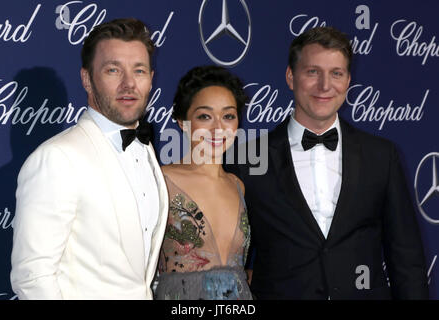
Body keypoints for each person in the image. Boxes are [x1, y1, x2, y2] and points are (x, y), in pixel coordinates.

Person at [227, 26, 429, 299]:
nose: (325, 86)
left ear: (347, 80)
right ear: (290, 77)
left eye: (336, 73)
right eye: (312, 72)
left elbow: (406, 258)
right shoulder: (246, 159)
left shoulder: (382, 156)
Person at [10, 18, 169, 299]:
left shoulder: (146, 151)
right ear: (87, 79)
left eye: (139, 71)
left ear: (151, 79)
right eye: (113, 70)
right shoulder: (57, 158)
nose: (129, 84)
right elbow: (33, 277)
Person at [154, 65, 252, 300]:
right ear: (182, 122)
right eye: (205, 116)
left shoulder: (237, 185)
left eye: (228, 116)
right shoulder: (161, 179)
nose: (218, 128)